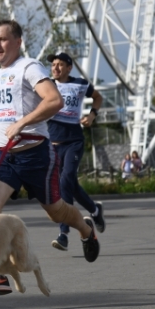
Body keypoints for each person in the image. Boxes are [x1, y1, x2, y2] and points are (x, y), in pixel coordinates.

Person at [0, 19, 100, 295]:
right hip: (4, 155)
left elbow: (54, 101)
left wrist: (22, 123)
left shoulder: (30, 67)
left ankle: (86, 230)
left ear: (17, 42)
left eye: (2, 39)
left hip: (35, 155)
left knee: (56, 211)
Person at [45, 52, 106, 251]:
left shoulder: (80, 84)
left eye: (60, 64)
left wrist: (92, 115)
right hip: (52, 144)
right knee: (69, 185)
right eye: (53, 64)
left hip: (73, 141)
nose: (55, 68)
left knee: (65, 180)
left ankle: (63, 234)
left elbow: (98, 97)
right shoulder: (47, 85)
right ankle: (95, 209)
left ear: (69, 67)